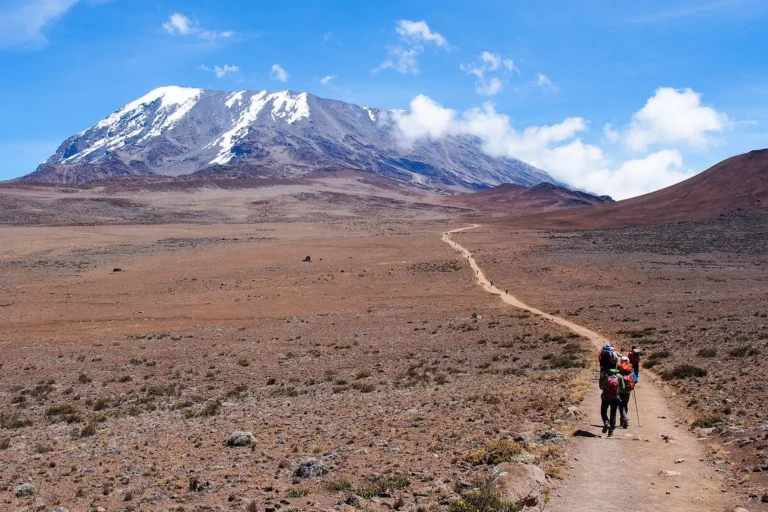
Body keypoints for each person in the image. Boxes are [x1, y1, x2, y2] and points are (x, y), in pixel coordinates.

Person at [599, 368, 624, 436]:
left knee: (603, 411)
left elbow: (601, 387)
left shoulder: (604, 377)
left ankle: (606, 422)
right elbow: (623, 387)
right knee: (613, 413)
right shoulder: (619, 376)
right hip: (615, 397)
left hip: (606, 397)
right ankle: (611, 431)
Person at [616, 356, 636, 428]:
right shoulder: (631, 369)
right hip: (628, 390)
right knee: (625, 404)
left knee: (620, 405)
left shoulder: (619, 368)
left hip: (620, 389)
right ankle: (623, 420)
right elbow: (636, 379)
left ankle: (624, 419)